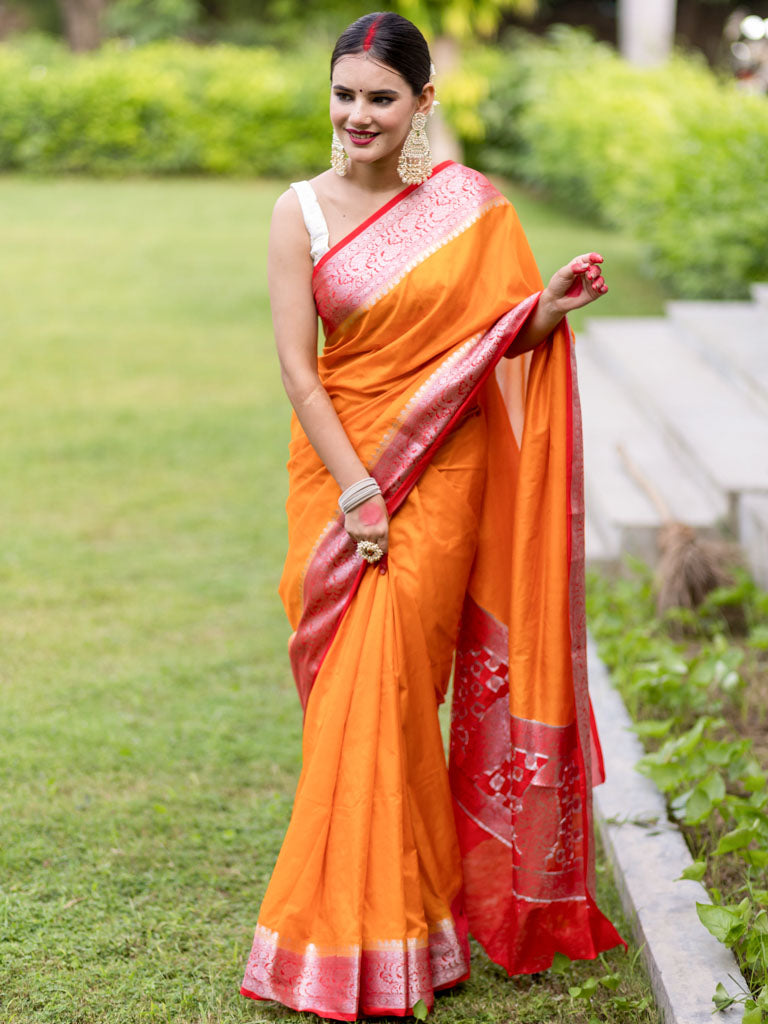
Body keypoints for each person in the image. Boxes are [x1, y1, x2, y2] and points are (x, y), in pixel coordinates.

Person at [241, 11, 624, 1020]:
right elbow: (298, 369)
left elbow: (495, 337)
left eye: (381, 97)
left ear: (421, 104)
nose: (358, 115)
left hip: (442, 476)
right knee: (356, 699)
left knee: (401, 689)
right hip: (339, 478)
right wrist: (359, 490)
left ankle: (399, 928)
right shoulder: (301, 213)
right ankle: (387, 928)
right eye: (344, 94)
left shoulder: (468, 208)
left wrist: (548, 304)